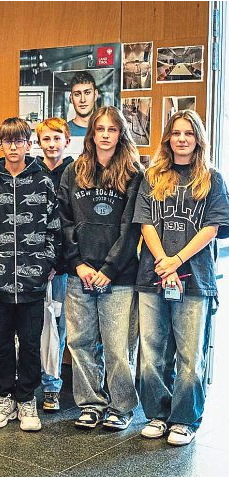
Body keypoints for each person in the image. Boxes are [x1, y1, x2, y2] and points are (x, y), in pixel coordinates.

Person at [133, 110, 229, 446]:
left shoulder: (212, 179)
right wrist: (163, 260)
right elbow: (145, 223)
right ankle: (158, 415)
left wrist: (176, 260)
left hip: (195, 279)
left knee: (190, 354)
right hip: (152, 276)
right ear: (168, 138)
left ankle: (184, 419)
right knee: (153, 351)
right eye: (176, 133)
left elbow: (212, 228)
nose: (182, 139)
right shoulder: (152, 176)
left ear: (198, 138)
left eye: (189, 133)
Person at [59, 106, 143, 431]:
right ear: (91, 134)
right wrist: (77, 264)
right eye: (100, 129)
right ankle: (91, 404)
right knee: (80, 341)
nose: (105, 135)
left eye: (111, 129)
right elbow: (64, 222)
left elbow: (131, 228)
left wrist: (108, 268)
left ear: (121, 133)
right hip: (79, 274)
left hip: (119, 276)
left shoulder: (134, 174)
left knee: (118, 346)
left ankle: (121, 407)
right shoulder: (73, 171)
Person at [0, 117, 61, 432]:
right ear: (1, 144)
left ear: (29, 144)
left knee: (29, 343)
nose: (14, 147)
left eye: (20, 140)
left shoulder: (43, 181)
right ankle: (4, 397)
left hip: (32, 281)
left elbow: (55, 227)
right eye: (8, 141)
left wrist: (48, 263)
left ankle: (27, 398)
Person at [35, 118, 74, 412]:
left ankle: (52, 384)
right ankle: (29, 379)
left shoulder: (74, 173)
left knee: (57, 326)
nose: (51, 145)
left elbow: (69, 223)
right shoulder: (32, 171)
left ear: (66, 141)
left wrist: (57, 262)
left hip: (60, 267)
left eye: (56, 139)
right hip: (31, 263)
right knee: (31, 324)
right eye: (46, 139)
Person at [67, 71, 99, 137]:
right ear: (71, 98)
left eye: (87, 93)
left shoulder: (105, 131)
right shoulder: (63, 131)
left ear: (95, 95)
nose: (83, 100)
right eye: (77, 94)